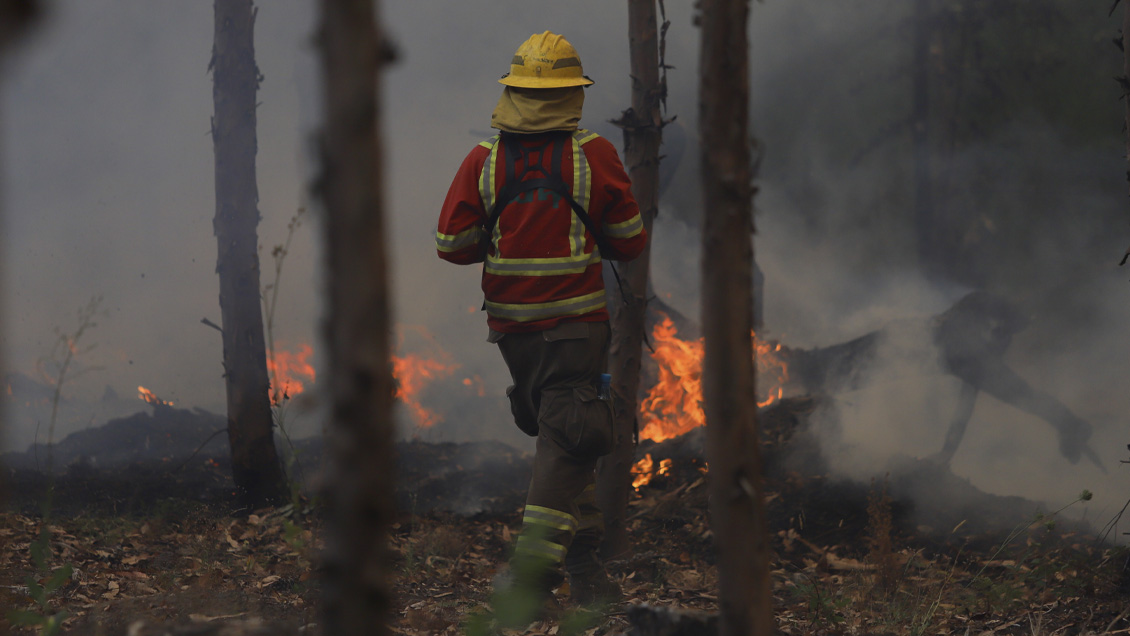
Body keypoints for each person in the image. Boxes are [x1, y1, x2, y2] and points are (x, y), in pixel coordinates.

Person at [435, 31, 647, 607]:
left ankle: (588, 574)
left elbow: (451, 244)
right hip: (576, 327)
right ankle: (531, 575)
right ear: (572, 94)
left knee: (568, 434)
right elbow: (629, 241)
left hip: (512, 332)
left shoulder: (484, 159)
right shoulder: (594, 155)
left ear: (514, 92)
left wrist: (503, 237)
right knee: (569, 437)